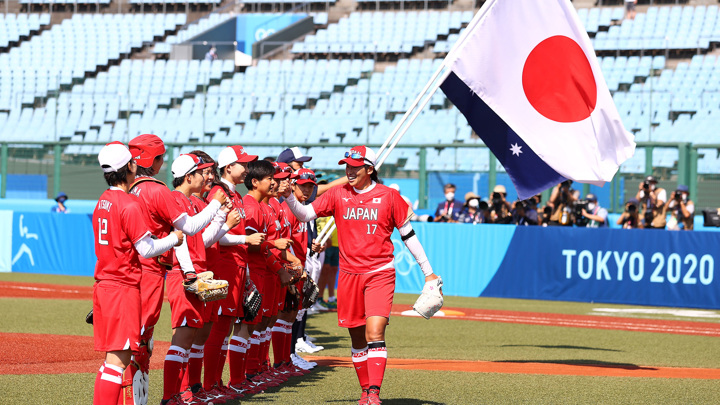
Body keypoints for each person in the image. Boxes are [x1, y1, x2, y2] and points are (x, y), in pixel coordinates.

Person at [281, 145, 441, 405]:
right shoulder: (338, 193)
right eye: (347, 165)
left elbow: (409, 236)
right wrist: (290, 197)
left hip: (380, 273)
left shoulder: (389, 196)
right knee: (356, 336)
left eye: (355, 166)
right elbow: (305, 214)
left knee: (375, 332)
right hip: (348, 275)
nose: (349, 170)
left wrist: (428, 272)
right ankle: (365, 391)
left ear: (370, 169)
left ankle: (374, 393)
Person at [127, 134, 227, 393]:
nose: (208, 177)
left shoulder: (135, 189)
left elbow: (188, 237)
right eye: (203, 172)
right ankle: (173, 394)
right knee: (142, 338)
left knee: (144, 337)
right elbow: (186, 233)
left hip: (146, 267)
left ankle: (182, 392)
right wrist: (217, 206)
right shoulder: (158, 190)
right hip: (159, 268)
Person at [92, 142, 183, 404]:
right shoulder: (128, 204)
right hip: (123, 287)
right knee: (117, 363)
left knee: (110, 361)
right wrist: (173, 238)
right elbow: (146, 249)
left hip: (104, 284)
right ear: (129, 167)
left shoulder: (103, 200)